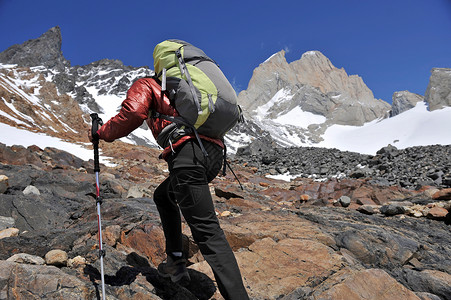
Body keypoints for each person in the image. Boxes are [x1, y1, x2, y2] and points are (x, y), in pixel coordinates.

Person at [88, 75, 249, 300]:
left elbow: (133, 112)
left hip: (189, 156)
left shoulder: (146, 84)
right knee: (163, 196)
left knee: (208, 232)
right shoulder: (187, 88)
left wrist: (101, 132)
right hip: (212, 156)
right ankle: (175, 261)